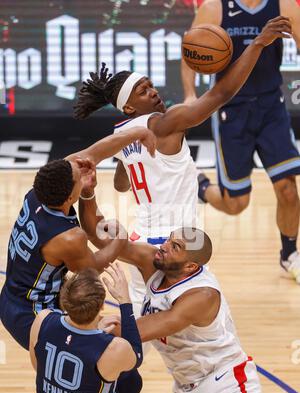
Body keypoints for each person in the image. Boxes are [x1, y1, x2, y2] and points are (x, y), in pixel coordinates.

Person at [74, 16, 294, 320]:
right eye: (142, 91)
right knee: (205, 319)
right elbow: (221, 95)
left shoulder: (121, 134)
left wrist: (130, 161)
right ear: (128, 107)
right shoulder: (166, 122)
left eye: (150, 85)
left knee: (139, 330)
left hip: (142, 239)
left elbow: (122, 186)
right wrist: (257, 44)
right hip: (174, 243)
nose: (153, 91)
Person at [0, 126, 155, 393]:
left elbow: (93, 153)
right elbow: (92, 269)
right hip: (33, 311)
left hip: (17, 296)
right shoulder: (69, 238)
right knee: (96, 377)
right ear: (68, 195)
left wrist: (138, 132)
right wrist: (120, 240)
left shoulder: (42, 189)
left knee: (53, 377)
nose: (82, 165)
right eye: (78, 174)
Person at [96, 226, 282, 393]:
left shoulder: (201, 295)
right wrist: (89, 197)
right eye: (169, 240)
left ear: (190, 266)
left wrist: (102, 314)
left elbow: (142, 331)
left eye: (175, 247)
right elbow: (102, 242)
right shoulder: (155, 260)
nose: (164, 246)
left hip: (225, 385)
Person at [181, 0, 300, 284]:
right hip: (230, 110)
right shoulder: (214, 8)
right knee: (236, 204)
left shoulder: (284, 5)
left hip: (271, 106)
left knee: (288, 189)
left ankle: (290, 254)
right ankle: (200, 185)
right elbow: (190, 52)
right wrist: (189, 95)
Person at [29, 266, 142, 393]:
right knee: (132, 380)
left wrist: (94, 329)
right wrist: (125, 301)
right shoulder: (112, 348)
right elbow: (136, 354)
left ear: (65, 300)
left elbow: (39, 368)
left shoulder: (42, 320)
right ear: (102, 305)